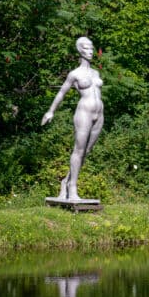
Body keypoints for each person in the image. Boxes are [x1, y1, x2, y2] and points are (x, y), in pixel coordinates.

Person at [41, 37, 103, 201]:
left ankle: (66, 181)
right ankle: (72, 188)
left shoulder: (95, 73)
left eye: (92, 48)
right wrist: (50, 111)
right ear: (80, 50)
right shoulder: (74, 74)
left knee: (87, 150)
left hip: (99, 113)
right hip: (84, 112)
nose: (91, 51)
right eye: (87, 48)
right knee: (79, 149)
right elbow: (62, 92)